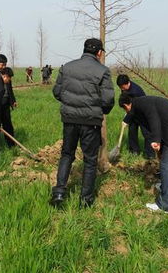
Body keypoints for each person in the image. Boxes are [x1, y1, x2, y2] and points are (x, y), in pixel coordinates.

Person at [51, 38, 115, 208]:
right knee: (90, 159)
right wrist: (99, 111)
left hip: (69, 119)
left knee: (67, 154)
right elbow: (108, 100)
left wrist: (70, 104)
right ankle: (85, 200)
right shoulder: (103, 71)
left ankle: (58, 193)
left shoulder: (67, 67)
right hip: (91, 122)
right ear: (99, 53)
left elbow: (57, 92)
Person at [119, 93, 168, 214]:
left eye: (125, 109)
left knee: (167, 166)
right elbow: (144, 123)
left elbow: (153, 118)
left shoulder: (142, 104)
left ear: (126, 105)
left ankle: (166, 206)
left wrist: (156, 140)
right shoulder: (140, 104)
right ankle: (166, 188)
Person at [116, 74, 154, 159]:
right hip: (133, 112)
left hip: (143, 113)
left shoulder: (135, 91)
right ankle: (134, 151)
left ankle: (150, 155)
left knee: (147, 134)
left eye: (122, 87)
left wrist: (125, 120)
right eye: (120, 87)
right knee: (132, 132)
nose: (121, 89)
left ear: (128, 83)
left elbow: (134, 108)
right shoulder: (124, 88)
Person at [0, 67, 17, 147]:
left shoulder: (8, 79)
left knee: (8, 124)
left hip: (6, 103)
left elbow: (10, 90)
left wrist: (13, 101)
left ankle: (11, 144)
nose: (10, 80)